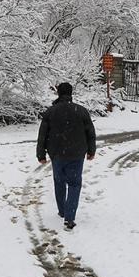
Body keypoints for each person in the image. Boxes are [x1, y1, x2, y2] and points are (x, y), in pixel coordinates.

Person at [36, 83, 96, 231]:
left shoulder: (51, 112)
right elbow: (90, 132)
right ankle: (69, 217)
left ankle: (62, 210)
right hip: (76, 154)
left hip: (57, 155)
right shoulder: (81, 111)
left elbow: (42, 135)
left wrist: (41, 154)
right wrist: (91, 150)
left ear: (58, 93)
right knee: (75, 184)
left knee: (59, 182)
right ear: (71, 93)